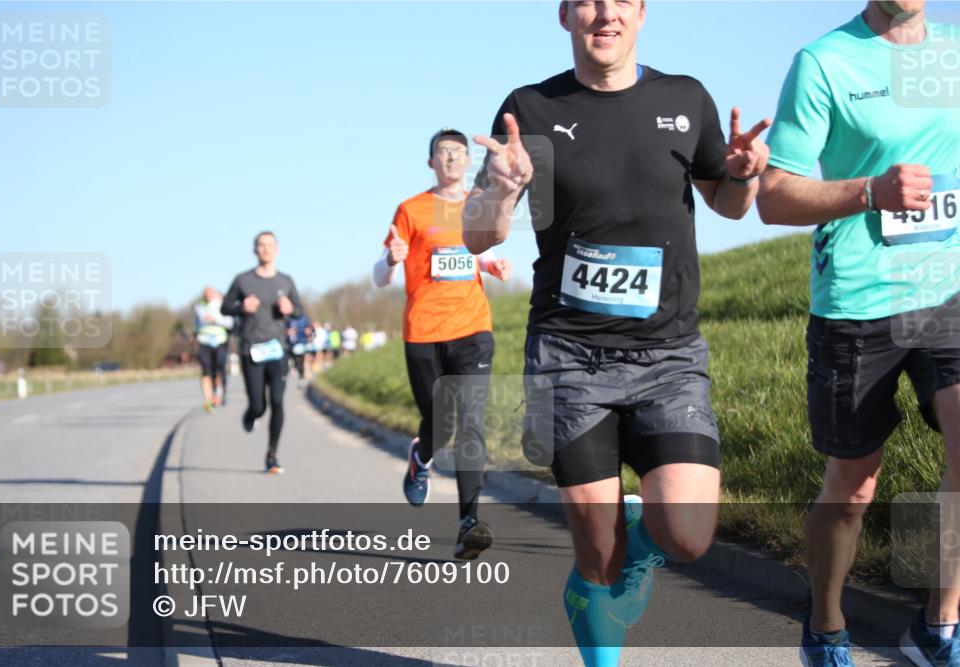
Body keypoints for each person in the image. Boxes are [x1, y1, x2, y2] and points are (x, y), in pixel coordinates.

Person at [462, 1, 771, 663]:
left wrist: (743, 176)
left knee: (687, 537)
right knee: (597, 554)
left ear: (642, 13)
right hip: (567, 355)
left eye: (620, 1)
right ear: (566, 16)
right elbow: (479, 233)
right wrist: (498, 185)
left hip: (669, 354)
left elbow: (729, 202)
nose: (605, 12)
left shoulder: (685, 99)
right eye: (588, 1)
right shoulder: (531, 108)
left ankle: (641, 538)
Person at [756, 2, 960, 665]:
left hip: (946, 292)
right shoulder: (826, 62)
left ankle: (940, 625)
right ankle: (825, 624)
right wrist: (870, 191)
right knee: (854, 483)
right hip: (859, 297)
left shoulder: (949, 52)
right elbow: (775, 193)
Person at [374, 127, 512, 559]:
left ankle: (468, 521)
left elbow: (470, 251)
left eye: (457, 151)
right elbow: (380, 274)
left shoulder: (479, 204)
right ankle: (421, 456)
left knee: (470, 422)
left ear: (468, 161)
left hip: (473, 329)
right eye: (442, 152)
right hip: (424, 332)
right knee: (440, 425)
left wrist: (489, 265)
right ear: (431, 162)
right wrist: (390, 261)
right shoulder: (411, 209)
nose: (450, 158)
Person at [222, 231, 304, 474]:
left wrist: (290, 308)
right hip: (251, 349)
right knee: (259, 405)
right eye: (261, 245)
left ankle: (272, 454)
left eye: (270, 245)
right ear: (255, 250)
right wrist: (240, 307)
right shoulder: (242, 280)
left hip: (278, 349)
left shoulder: (285, 281)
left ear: (277, 249)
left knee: (278, 401)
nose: (266, 249)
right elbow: (225, 307)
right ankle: (251, 414)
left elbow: (299, 310)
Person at [194, 286, 234, 412]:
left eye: (211, 293)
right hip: (204, 341)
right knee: (206, 370)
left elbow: (229, 323)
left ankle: (218, 393)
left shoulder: (222, 305)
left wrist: (215, 319)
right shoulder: (200, 306)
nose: (209, 295)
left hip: (220, 341)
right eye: (207, 293)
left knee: (218, 369)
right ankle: (208, 399)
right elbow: (200, 322)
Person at [288, 312, 311, 389]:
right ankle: (293, 368)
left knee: (300, 360)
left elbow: (308, 329)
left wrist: (308, 332)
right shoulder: (288, 317)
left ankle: (301, 378)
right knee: (293, 359)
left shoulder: (304, 317)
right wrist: (287, 331)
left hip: (300, 343)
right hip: (289, 344)